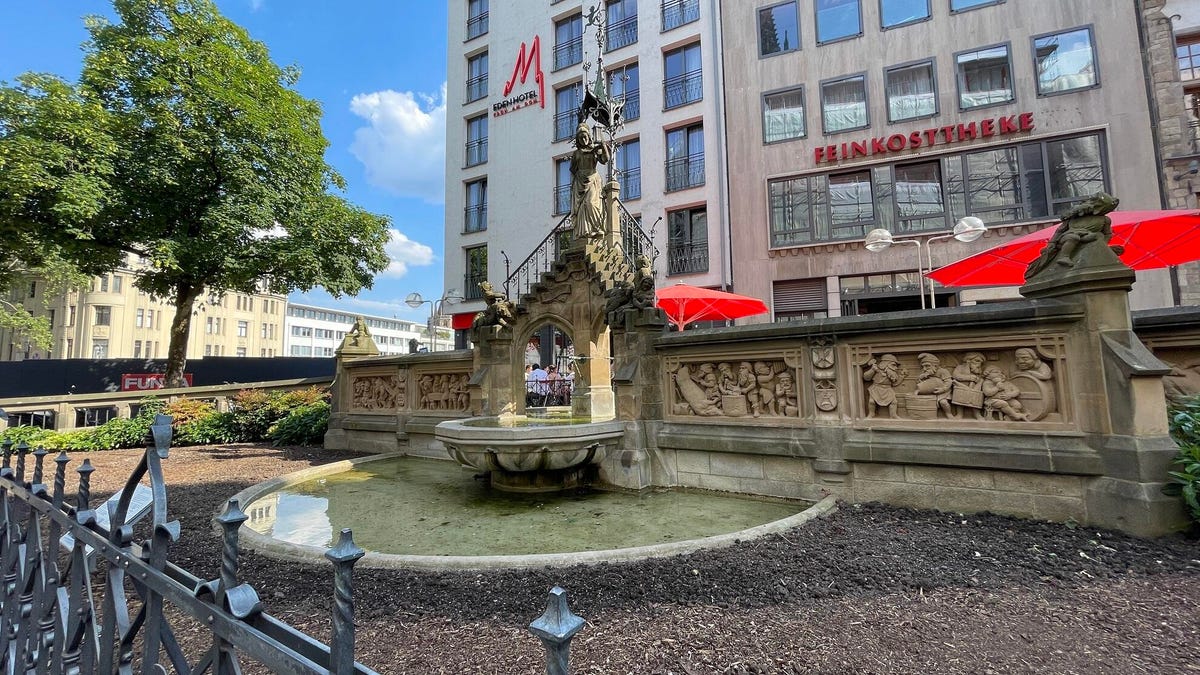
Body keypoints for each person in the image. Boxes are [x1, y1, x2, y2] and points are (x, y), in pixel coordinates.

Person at [570, 123, 611, 240]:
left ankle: (597, 229)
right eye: (581, 138)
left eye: (585, 136)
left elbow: (605, 159)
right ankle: (585, 232)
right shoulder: (576, 154)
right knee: (582, 208)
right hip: (580, 182)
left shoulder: (594, 150)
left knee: (591, 203)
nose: (583, 139)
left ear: (589, 136)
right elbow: (572, 169)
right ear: (578, 139)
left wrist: (603, 146)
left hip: (592, 179)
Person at [863, 354, 906, 419]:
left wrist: (902, 376)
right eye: (893, 365)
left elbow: (895, 383)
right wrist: (872, 370)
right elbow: (866, 378)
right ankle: (871, 414)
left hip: (888, 389)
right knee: (871, 402)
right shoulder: (876, 369)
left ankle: (893, 415)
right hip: (876, 388)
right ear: (886, 363)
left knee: (894, 402)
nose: (895, 367)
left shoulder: (892, 373)